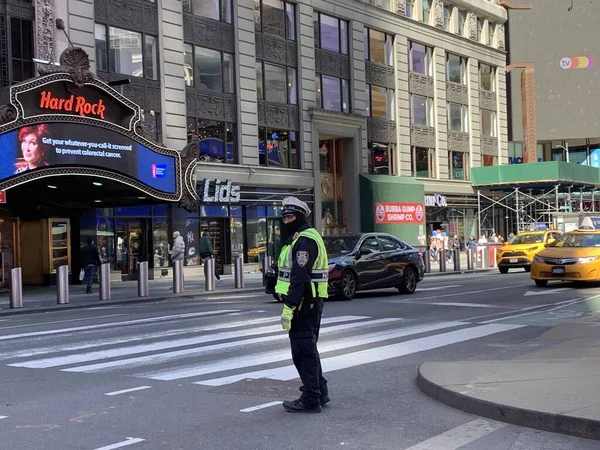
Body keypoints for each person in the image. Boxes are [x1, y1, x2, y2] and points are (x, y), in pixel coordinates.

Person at [276, 196, 329, 413]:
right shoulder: (301, 238)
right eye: (285, 217)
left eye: (290, 217)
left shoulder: (304, 241)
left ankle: (311, 399)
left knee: (302, 352)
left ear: (299, 217)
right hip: (309, 301)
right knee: (308, 349)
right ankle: (320, 390)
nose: (286, 221)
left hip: (304, 304)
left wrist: (289, 308)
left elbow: (300, 278)